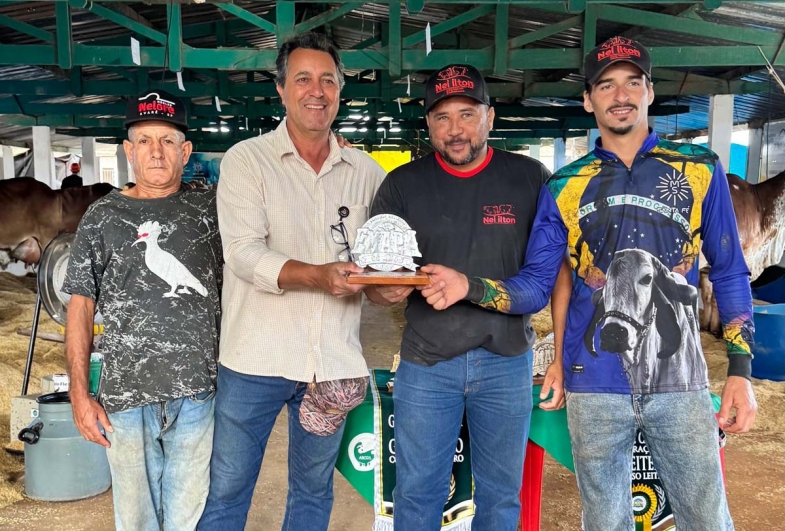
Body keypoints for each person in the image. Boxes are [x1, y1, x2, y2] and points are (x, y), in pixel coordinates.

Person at [423, 37, 757, 531]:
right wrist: (470, 287)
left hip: (680, 380)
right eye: (605, 86)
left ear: (649, 91)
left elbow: (728, 270)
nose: (620, 95)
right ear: (587, 99)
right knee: (603, 522)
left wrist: (740, 371)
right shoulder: (564, 185)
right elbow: (538, 285)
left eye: (632, 82)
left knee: (707, 518)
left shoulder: (699, 168)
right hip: (593, 385)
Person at [197, 32, 387, 531]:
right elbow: (242, 253)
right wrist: (319, 276)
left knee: (313, 492)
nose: (316, 91)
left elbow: (380, 258)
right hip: (254, 362)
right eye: (303, 79)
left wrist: (391, 284)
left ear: (340, 90)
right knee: (227, 492)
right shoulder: (247, 160)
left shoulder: (366, 172)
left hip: (332, 365)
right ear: (281, 89)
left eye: (328, 80)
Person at [369, 63, 567, 531]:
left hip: (506, 363)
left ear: (490, 117)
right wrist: (386, 289)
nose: (455, 130)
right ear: (428, 124)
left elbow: (542, 284)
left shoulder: (531, 179)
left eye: (467, 114)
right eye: (442, 117)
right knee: (417, 493)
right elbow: (377, 285)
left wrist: (468, 286)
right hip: (426, 364)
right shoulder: (401, 185)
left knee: (500, 498)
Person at [63, 89, 222, 531]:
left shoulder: (212, 210)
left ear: (185, 152)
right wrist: (79, 393)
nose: (156, 151)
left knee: (189, 516)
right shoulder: (101, 217)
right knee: (135, 520)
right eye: (144, 140)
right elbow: (80, 306)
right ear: (128, 151)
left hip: (198, 393)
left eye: (168, 140)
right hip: (125, 399)